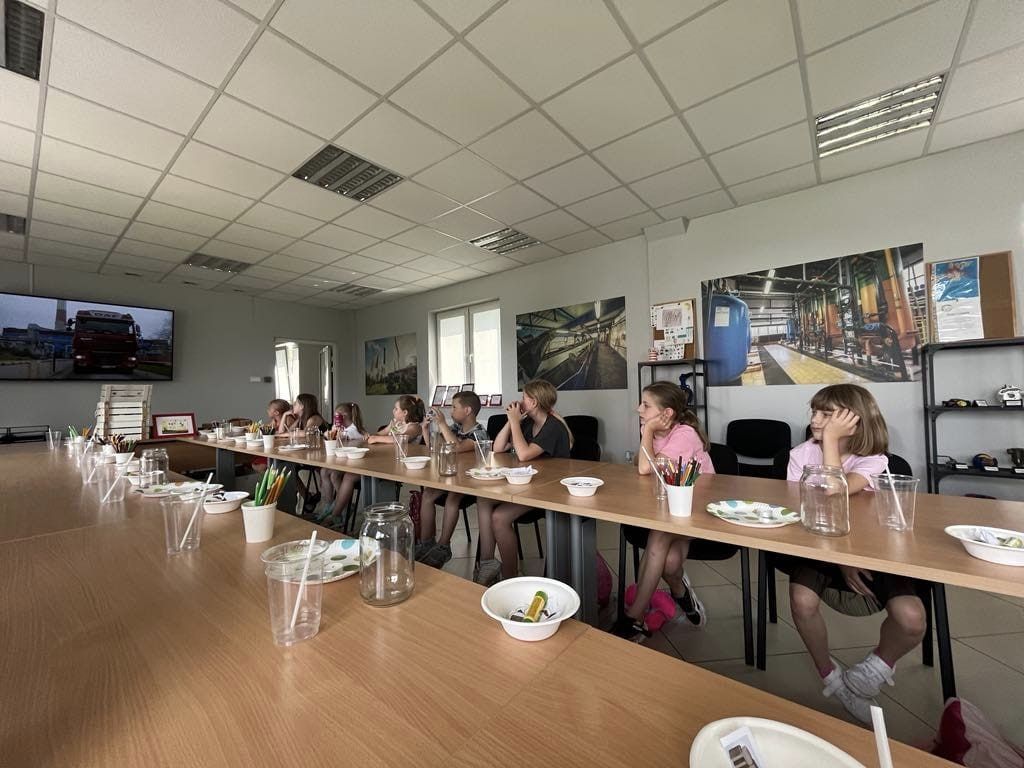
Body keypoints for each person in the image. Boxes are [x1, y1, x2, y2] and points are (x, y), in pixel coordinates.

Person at [782, 383, 926, 724]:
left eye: (826, 415)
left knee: (911, 618)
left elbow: (836, 489)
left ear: (855, 421)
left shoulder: (874, 460)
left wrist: (830, 441)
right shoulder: (801, 455)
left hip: (869, 550)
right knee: (802, 601)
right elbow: (803, 509)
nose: (815, 420)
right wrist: (840, 559)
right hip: (820, 546)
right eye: (814, 412)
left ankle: (873, 670)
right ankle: (830, 676)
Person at [610, 381, 729, 642]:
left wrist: (647, 432)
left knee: (659, 535)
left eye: (645, 405)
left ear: (667, 413)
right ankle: (681, 593)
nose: (638, 409)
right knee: (671, 562)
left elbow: (644, 468)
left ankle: (634, 618)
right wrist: (648, 434)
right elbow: (643, 464)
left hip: (699, 510)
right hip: (672, 508)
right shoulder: (654, 431)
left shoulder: (684, 434)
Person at [474, 379, 572, 586]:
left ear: (534, 402)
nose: (520, 402)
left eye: (524, 398)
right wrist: (511, 422)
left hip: (549, 489)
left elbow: (524, 454)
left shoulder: (552, 427)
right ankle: (487, 562)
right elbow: (497, 448)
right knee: (483, 499)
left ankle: (510, 576)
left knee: (499, 517)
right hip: (529, 485)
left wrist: (515, 423)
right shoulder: (528, 423)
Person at [415, 391, 488, 568]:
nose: (451, 411)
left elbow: (457, 447)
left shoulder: (479, 433)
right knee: (428, 494)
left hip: (471, 482)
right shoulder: (455, 429)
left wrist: (442, 424)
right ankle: (426, 542)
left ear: (467, 410)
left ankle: (443, 545)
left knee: (452, 498)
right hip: (452, 477)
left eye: (454, 407)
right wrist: (425, 430)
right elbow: (435, 448)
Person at [314, 402, 367, 528]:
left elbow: (336, 436)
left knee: (334, 475)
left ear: (343, 416)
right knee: (324, 471)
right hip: (344, 461)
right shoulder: (344, 429)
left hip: (355, 464)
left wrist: (333, 431)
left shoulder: (353, 430)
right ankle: (330, 504)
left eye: (336, 416)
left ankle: (341, 508)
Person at [291, 394, 326, 510]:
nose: (293, 405)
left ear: (302, 406)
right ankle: (307, 497)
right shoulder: (301, 419)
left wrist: (288, 434)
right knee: (288, 468)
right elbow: (290, 430)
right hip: (309, 453)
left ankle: (310, 499)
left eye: (296, 403)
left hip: (321, 455)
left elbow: (307, 432)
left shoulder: (315, 418)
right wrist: (287, 415)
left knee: (288, 468)